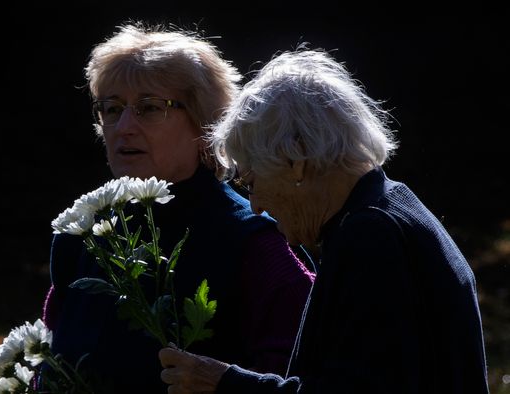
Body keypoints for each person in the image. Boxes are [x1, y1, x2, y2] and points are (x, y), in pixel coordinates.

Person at [158, 47, 490, 393]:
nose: (255, 206)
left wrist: (225, 383)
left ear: (295, 160)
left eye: (251, 183)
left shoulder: (370, 235)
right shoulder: (390, 207)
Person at [41, 23, 315, 393]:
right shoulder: (82, 235)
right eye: (112, 108)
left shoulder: (253, 241)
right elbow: (54, 362)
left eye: (149, 108)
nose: (123, 127)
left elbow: (298, 375)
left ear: (204, 124)